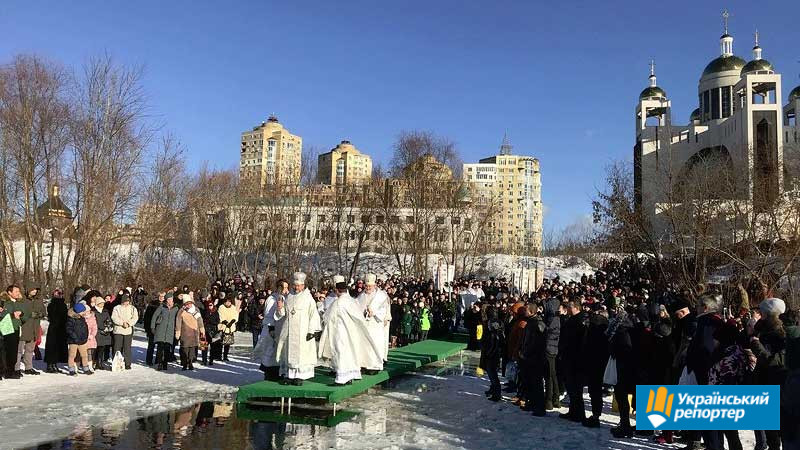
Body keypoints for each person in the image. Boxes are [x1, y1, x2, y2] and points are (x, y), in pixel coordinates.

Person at [318, 275, 381, 385]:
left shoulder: (338, 302)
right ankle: (350, 376)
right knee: (350, 354)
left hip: (340, 333)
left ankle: (341, 379)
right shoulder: (351, 301)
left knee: (341, 354)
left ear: (337, 291)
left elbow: (328, 317)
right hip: (351, 334)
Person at [274, 272, 322, 386]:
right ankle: (289, 375)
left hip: (302, 331)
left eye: (298, 285)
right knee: (289, 353)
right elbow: (282, 314)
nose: (296, 288)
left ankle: (299, 376)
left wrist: (312, 331)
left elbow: (313, 315)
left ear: (303, 285)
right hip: (289, 330)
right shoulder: (289, 296)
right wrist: (280, 308)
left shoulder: (308, 298)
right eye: (294, 285)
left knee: (301, 354)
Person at [357, 274, 390, 373]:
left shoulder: (381, 296)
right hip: (365, 324)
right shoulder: (361, 296)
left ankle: (375, 366)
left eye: (369, 286)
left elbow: (385, 309)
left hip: (375, 323)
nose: (367, 288)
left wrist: (374, 313)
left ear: (374, 285)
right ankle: (364, 364)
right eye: (366, 286)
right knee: (364, 345)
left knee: (375, 344)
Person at [519, 303, 547, 416]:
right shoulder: (530, 322)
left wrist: (526, 352)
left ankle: (539, 407)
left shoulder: (537, 323)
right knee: (529, 382)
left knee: (536, 383)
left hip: (535, 358)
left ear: (531, 311)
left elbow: (535, 343)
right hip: (528, 357)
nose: (524, 312)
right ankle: (531, 403)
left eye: (525, 310)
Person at [254, 279, 286, 380]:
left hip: (280, 330)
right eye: (284, 287)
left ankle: (278, 373)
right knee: (270, 352)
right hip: (271, 330)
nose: (286, 290)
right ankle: (269, 375)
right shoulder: (272, 299)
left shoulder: (284, 298)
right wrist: (271, 328)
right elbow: (268, 315)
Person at [17, 287, 45, 375]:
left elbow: (44, 312)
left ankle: (28, 367)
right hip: (24, 327)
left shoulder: (39, 301)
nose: (34, 291)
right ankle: (16, 368)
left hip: (34, 327)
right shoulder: (22, 300)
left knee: (30, 349)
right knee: (19, 350)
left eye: (35, 290)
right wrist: (28, 314)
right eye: (32, 289)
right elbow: (19, 312)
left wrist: (38, 314)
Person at [480, 305, 504, 402]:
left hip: (492, 351)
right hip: (492, 350)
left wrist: (490, 351)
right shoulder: (495, 321)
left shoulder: (493, 322)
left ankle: (497, 394)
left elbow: (495, 338)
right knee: (491, 372)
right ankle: (493, 390)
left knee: (492, 373)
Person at [0, 285, 25, 379]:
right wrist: (12, 315)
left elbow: (25, 313)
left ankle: (10, 371)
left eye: (19, 291)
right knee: (5, 350)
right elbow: (2, 314)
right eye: (16, 291)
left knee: (13, 351)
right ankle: (4, 370)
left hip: (16, 328)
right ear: (9, 292)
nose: (18, 293)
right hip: (5, 327)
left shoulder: (19, 302)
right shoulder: (4, 301)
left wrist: (21, 314)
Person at [175, 295, 205, 371]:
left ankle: (190, 362)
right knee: (184, 349)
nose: (189, 305)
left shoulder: (196, 310)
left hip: (194, 332)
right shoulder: (181, 311)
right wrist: (178, 331)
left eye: (190, 303)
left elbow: (200, 320)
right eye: (187, 303)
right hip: (185, 333)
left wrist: (202, 328)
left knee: (192, 350)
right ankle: (184, 363)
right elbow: (178, 321)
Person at [151, 293, 179, 371]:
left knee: (167, 349)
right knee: (160, 348)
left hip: (170, 331)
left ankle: (165, 363)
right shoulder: (162, 307)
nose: (169, 301)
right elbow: (154, 316)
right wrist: (152, 327)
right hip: (161, 330)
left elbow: (179, 319)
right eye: (168, 299)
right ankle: (160, 363)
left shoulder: (176, 308)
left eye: (171, 299)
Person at [543, 298, 561, 410]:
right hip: (552, 348)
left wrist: (543, 327)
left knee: (549, 375)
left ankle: (549, 399)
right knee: (552, 375)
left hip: (550, 348)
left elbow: (550, 333)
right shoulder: (554, 318)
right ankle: (555, 398)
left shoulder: (553, 319)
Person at [111, 294, 138, 370]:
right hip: (118, 330)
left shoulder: (132, 308)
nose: (127, 303)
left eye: (128, 301)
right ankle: (116, 363)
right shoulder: (117, 308)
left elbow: (135, 317)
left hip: (128, 330)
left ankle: (127, 363)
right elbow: (114, 317)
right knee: (117, 348)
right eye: (125, 301)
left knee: (127, 348)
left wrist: (129, 323)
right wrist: (122, 323)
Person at [45, 289, 69, 373]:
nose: (59, 295)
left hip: (61, 328)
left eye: (60, 294)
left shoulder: (64, 305)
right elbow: (51, 315)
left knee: (58, 347)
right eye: (57, 294)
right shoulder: (51, 304)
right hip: (54, 327)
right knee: (51, 346)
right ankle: (49, 365)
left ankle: (55, 364)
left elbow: (65, 316)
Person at [66, 302, 92, 376]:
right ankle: (71, 369)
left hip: (82, 341)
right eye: (82, 311)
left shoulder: (82, 318)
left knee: (84, 355)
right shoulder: (71, 319)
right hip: (73, 341)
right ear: (78, 311)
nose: (84, 313)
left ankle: (86, 368)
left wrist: (85, 337)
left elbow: (85, 329)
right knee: (72, 355)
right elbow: (69, 330)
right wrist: (75, 338)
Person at [93, 296, 113, 371]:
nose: (103, 304)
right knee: (95, 349)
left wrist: (108, 326)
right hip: (97, 332)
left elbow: (109, 320)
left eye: (103, 303)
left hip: (105, 332)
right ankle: (94, 363)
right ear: (97, 304)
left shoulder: (105, 311)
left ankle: (100, 363)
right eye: (101, 303)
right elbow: (94, 322)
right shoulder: (94, 311)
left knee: (102, 349)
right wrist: (102, 327)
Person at [143, 293, 163, 366]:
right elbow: (146, 318)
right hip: (152, 328)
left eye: (163, 296)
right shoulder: (152, 305)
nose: (161, 298)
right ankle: (149, 360)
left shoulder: (166, 305)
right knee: (151, 345)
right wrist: (147, 329)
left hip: (161, 329)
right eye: (160, 296)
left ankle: (158, 360)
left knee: (160, 346)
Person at [218, 295, 239, 362]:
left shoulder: (233, 307)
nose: (228, 303)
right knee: (221, 342)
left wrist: (232, 321)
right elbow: (221, 316)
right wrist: (226, 322)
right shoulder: (221, 307)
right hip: (223, 326)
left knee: (228, 342)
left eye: (229, 302)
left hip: (231, 327)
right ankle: (219, 356)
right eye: (226, 302)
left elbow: (235, 315)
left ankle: (225, 356)